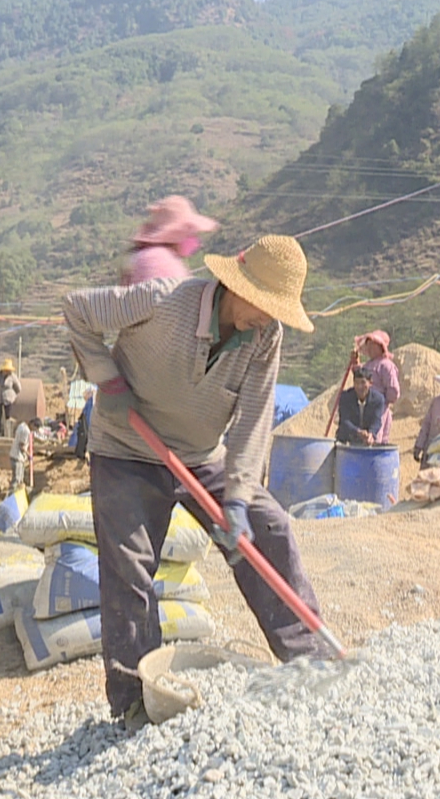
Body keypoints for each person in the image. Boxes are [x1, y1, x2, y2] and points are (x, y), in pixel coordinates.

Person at [63, 234, 329, 726]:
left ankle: (308, 659)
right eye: (263, 305)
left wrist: (240, 500)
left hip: (202, 454)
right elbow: (77, 309)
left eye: (277, 311)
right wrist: (107, 377)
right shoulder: (163, 300)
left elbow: (253, 420)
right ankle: (136, 701)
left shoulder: (265, 336)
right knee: (130, 568)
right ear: (235, 285)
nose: (267, 318)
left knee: (269, 531)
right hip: (126, 448)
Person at [120, 195, 219, 286]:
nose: (194, 239)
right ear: (176, 234)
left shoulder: (148, 255)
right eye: (190, 233)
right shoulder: (158, 259)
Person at [356, 331, 400, 444]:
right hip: (365, 408)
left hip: (379, 409)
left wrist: (381, 401)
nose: (369, 348)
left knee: (376, 438)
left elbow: (393, 390)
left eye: (373, 345)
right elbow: (360, 377)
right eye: (368, 345)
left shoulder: (386, 365)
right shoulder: (367, 365)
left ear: (381, 347)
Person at [334, 366, 388, 446]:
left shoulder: (378, 399)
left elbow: (376, 420)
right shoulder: (345, 397)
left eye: (363, 382)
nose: (359, 387)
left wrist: (371, 434)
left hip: (366, 442)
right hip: (346, 441)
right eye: (357, 383)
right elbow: (344, 421)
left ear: (370, 383)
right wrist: (358, 432)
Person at [0, 359, 20, 435]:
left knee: (8, 417)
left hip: (8, 399)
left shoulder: (13, 376)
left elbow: (18, 388)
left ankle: (8, 432)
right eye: (6, 370)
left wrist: (13, 396)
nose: (7, 372)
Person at [11, 417, 34, 492]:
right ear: (33, 425)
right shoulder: (26, 431)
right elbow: (22, 446)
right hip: (18, 457)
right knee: (17, 481)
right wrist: (29, 455)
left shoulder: (22, 425)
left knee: (19, 480)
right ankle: (13, 498)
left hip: (15, 456)